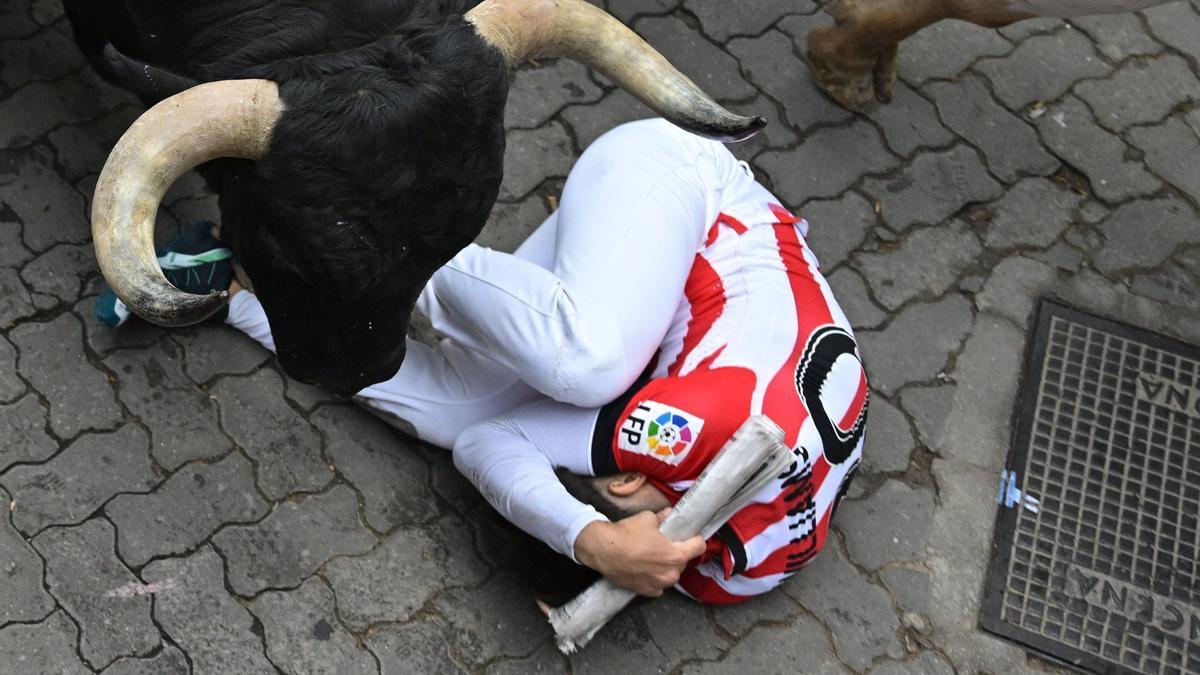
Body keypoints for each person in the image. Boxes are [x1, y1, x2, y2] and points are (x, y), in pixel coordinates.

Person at [101, 119, 868, 603]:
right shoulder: (709, 428)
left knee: (453, 413)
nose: (593, 465)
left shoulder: (729, 574)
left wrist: (594, 535)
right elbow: (503, 454)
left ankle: (237, 283)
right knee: (587, 364)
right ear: (632, 474)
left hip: (649, 300)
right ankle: (348, 223)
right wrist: (591, 538)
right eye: (600, 481)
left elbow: (480, 439)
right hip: (678, 189)